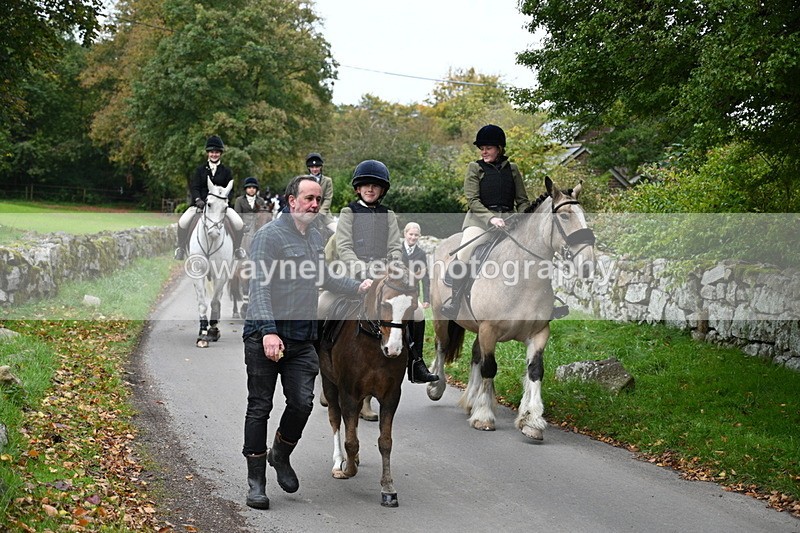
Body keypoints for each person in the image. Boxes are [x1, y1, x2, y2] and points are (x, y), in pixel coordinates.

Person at [241, 175, 372, 510]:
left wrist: (357, 286)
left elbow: (324, 276)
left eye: (317, 199)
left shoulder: (315, 237)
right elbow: (258, 287)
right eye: (308, 198)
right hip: (264, 336)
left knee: (302, 403)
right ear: (291, 201)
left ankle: (280, 454)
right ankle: (256, 481)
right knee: (260, 406)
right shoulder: (268, 237)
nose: (314, 204)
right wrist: (268, 331)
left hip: (301, 338)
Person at [321, 160, 438, 386]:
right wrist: (362, 271)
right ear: (357, 188)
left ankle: (416, 363)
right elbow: (344, 247)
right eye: (365, 185)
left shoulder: (388, 214)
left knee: (418, 315)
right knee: (321, 307)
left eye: (375, 186)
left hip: (384, 277)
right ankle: (321, 362)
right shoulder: (348, 212)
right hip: (352, 276)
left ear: (382, 190)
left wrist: (392, 269)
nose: (370, 189)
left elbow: (395, 247)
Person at [440, 125, 531, 319]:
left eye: (488, 148)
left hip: (510, 223)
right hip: (480, 222)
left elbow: (522, 201)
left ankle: (542, 301)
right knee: (465, 250)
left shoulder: (513, 169)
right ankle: (455, 300)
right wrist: (491, 218)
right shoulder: (475, 168)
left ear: (499, 148)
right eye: (481, 148)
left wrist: (525, 219)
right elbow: (473, 201)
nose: (484, 151)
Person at [174, 135, 247, 260]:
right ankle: (181, 248)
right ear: (208, 153)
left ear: (220, 153)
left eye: (217, 152)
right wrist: (198, 200)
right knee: (183, 221)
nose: (214, 154)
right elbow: (195, 187)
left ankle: (237, 249)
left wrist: (224, 200)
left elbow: (231, 190)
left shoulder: (226, 171)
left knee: (239, 223)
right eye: (212, 152)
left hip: (220, 206)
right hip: (200, 205)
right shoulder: (200, 170)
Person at [305, 152, 337, 235]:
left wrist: (320, 213)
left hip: (324, 214)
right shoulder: (303, 181)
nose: (315, 169)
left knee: (337, 232)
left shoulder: (327, 181)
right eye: (312, 167)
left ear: (321, 167)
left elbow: (328, 198)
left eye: (317, 167)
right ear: (309, 168)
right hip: (307, 212)